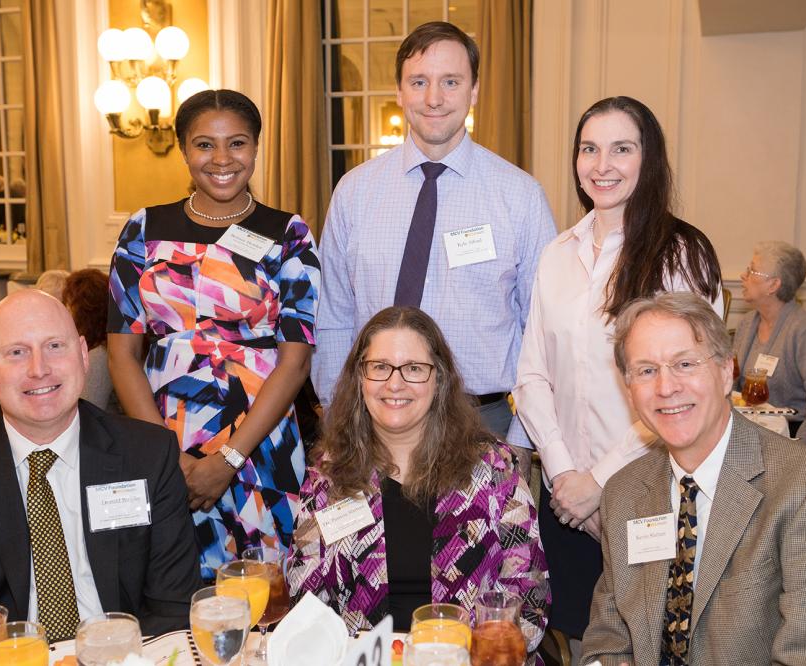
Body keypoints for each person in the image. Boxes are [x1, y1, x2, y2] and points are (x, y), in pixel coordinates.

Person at [0, 290, 202, 664]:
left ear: (84, 356)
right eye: (17, 352)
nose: (39, 369)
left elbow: (173, 608)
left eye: (55, 346)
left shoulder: (148, 455)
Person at [513, 96, 722, 646]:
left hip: (652, 487)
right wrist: (565, 479)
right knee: (580, 642)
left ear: (647, 158)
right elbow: (532, 377)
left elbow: (683, 391)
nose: (601, 164)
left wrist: (598, 483)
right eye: (589, 149)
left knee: (658, 642)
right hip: (564, 499)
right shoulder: (557, 253)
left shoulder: (682, 254)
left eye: (621, 149)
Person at [580, 292, 806, 665]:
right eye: (646, 370)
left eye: (684, 363)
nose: (666, 387)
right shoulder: (624, 491)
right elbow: (608, 636)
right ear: (629, 390)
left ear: (725, 372)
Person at [312, 21, 556, 475]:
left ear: (474, 90)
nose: (434, 98)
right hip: (373, 423)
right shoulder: (354, 192)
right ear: (400, 91)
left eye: (451, 82)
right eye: (419, 82)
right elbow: (333, 318)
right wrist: (337, 417)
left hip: (486, 427)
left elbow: (540, 331)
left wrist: (522, 440)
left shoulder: (519, 196)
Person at [108, 89, 320, 579]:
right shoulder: (143, 229)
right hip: (163, 439)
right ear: (184, 149)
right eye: (205, 145)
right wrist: (165, 457)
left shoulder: (288, 234)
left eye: (237, 143)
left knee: (266, 593)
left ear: (256, 147)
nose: (222, 159)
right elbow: (121, 354)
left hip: (261, 442)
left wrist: (229, 458)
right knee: (171, 586)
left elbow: (297, 361)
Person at [288, 307, 549, 653]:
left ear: (439, 379)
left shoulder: (491, 468)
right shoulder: (330, 474)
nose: (395, 383)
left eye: (413, 369)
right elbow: (302, 595)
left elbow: (529, 599)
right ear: (360, 378)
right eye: (379, 367)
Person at [733, 241, 806, 443]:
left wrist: (800, 447)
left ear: (774, 285)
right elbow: (733, 383)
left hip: (789, 435)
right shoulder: (747, 323)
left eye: (752, 271)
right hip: (747, 429)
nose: (743, 276)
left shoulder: (805, 330)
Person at [63, 268, 115, 410]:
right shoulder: (109, 347)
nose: (65, 314)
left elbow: (86, 413)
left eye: (68, 307)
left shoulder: (99, 356)